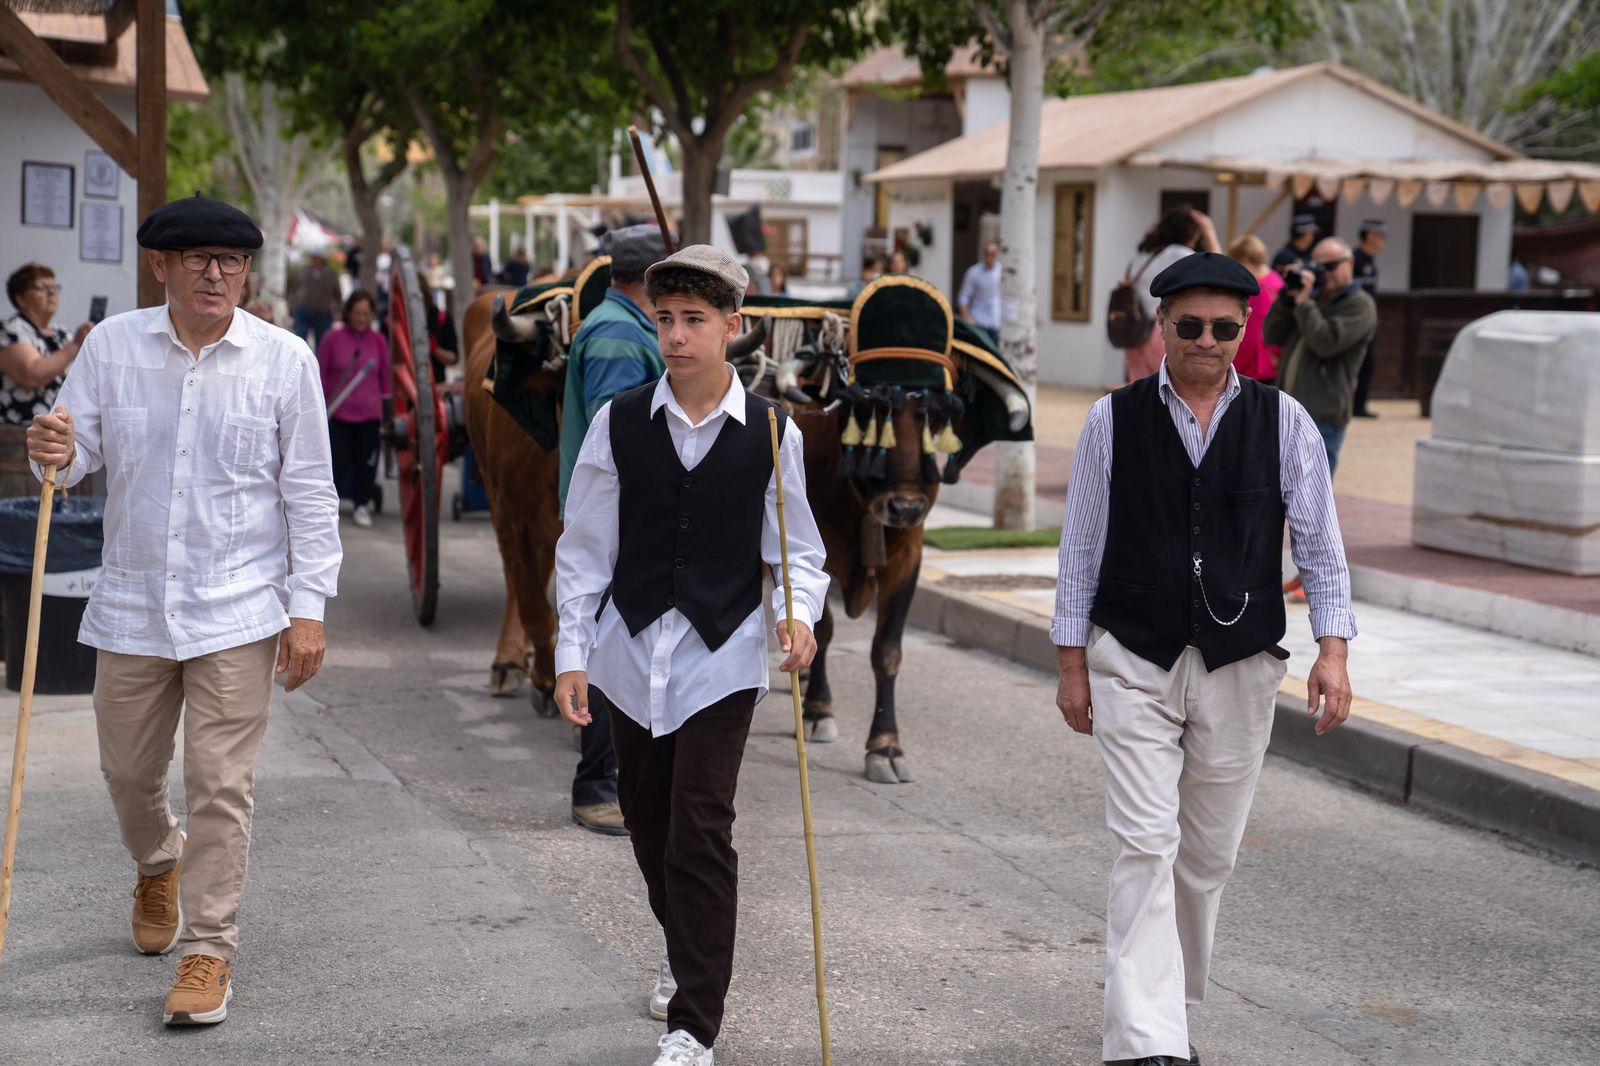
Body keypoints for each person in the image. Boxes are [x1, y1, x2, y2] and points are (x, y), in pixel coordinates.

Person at [25, 194, 340, 1027]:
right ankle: (157, 858)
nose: (214, 273)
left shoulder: (284, 360)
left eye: (230, 261)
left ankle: (209, 949)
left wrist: (307, 608)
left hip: (238, 607)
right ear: (159, 265)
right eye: (196, 258)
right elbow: (76, 455)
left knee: (220, 783)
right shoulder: (113, 347)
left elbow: (311, 493)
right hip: (132, 602)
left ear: (247, 272)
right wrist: (55, 449)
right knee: (128, 775)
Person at [1053, 251, 1355, 1066]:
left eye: (1225, 327)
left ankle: (1170, 1011)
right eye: (1189, 325)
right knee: (1145, 843)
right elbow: (1080, 550)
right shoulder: (1111, 420)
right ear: (1163, 326)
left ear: (1244, 329)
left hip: (1241, 661)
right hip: (1134, 657)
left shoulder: (1285, 421)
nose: (1207, 341)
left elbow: (1321, 548)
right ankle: (1145, 1040)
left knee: (1207, 856)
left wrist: (1333, 650)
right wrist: (1072, 663)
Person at [554, 244, 828, 1066]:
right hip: (629, 652)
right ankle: (685, 946)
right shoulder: (618, 423)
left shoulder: (774, 431)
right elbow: (584, 550)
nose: (675, 336)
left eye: (694, 320)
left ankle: (693, 1026)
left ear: (732, 327)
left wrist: (797, 615)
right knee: (647, 822)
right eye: (665, 319)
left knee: (700, 830)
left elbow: (796, 551)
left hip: (722, 656)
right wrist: (571, 652)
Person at [556, 224, 671, 835]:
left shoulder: (621, 325)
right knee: (605, 649)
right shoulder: (620, 337)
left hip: (626, 516)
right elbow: (624, 436)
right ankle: (596, 786)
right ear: (651, 282)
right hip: (618, 518)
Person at [1264, 236, 1378, 479]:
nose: (1324, 273)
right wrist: (1286, 298)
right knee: (1278, 486)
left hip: (1323, 414)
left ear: (1350, 263)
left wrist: (1304, 304)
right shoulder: (1311, 297)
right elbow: (1271, 334)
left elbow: (1325, 343)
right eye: (1317, 266)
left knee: (1312, 491)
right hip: (1288, 409)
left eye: (1330, 266)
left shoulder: (1360, 305)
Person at [317, 289, 392, 527]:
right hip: (339, 414)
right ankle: (328, 506)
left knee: (366, 463)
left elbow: (386, 379)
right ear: (348, 313)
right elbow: (318, 374)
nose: (361, 318)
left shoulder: (378, 341)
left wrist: (388, 414)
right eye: (357, 313)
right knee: (336, 462)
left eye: (366, 314)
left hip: (369, 415)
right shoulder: (332, 338)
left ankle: (362, 504)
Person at [1121, 207, 1220, 382]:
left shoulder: (1141, 257)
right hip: (1160, 332)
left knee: (1141, 390)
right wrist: (1209, 231)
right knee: (1173, 387)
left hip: (1134, 333)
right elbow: (1220, 269)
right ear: (1189, 233)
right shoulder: (1179, 254)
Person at [2, 263, 92, 425]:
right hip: (19, 431)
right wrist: (75, 345)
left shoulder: (61, 333)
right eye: (41, 288)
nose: (51, 293)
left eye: (54, 287)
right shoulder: (9, 330)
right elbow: (32, 375)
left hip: (58, 428)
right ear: (21, 299)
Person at [1224, 235, 1283, 382]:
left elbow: (1252, 335)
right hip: (1270, 365)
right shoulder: (1276, 280)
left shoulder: (1255, 288)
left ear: (1245, 259)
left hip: (1254, 367)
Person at [1350, 219, 1385, 418]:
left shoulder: (1372, 261)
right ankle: (1353, 404)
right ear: (1370, 236)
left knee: (1367, 363)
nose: (1383, 241)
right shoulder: (1355, 260)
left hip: (1368, 321)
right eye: (1380, 236)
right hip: (1356, 320)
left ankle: (1360, 404)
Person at [289, 251, 341, 347]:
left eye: (316, 258)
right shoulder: (304, 271)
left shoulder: (331, 274)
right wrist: (292, 306)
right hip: (303, 310)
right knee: (298, 340)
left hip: (323, 313)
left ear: (323, 260)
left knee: (323, 344)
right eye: (313, 258)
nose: (314, 260)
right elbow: (295, 288)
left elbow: (338, 295)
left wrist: (336, 311)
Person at [957, 239, 1002, 334]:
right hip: (978, 321)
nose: (989, 258)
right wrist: (966, 317)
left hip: (997, 322)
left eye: (993, 254)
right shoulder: (974, 272)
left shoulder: (1002, 271)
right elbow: (964, 296)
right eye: (987, 254)